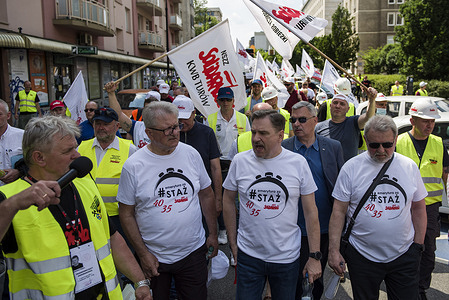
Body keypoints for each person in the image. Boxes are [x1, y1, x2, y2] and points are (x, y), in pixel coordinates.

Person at [0, 116, 152, 300]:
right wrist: (12, 205)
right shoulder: (9, 199)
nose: (77, 155)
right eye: (68, 151)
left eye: (75, 146)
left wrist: (140, 282)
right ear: (39, 157)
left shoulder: (84, 182)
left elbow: (112, 237)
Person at [117, 102, 218, 300]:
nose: (175, 133)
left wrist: (213, 234)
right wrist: (143, 254)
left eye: (176, 126)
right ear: (149, 133)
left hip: (193, 252)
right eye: (167, 129)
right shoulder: (134, 166)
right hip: (154, 258)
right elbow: (126, 213)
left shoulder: (191, 154)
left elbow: (206, 194)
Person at [222, 109, 321, 300]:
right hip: (248, 256)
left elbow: (311, 212)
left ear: (279, 135)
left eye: (263, 133)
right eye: (254, 132)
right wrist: (233, 244)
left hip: (286, 258)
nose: (256, 138)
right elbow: (227, 200)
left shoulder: (298, 163)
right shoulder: (240, 161)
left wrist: (314, 256)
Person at [328, 115, 427, 300]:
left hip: (404, 255)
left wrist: (417, 246)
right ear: (365, 140)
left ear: (396, 139)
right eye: (374, 145)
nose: (381, 150)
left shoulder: (409, 166)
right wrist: (334, 250)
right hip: (362, 255)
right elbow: (338, 211)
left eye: (387, 145)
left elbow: (419, 208)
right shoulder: (351, 168)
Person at [282, 101, 344, 299]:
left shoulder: (333, 147)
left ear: (315, 121)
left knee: (315, 277)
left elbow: (341, 188)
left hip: (324, 227)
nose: (296, 124)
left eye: (302, 119)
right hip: (291, 227)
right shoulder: (284, 148)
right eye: (293, 120)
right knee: (290, 279)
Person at [395, 98, 449, 300]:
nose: (430, 125)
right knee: (403, 248)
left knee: (427, 252)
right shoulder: (399, 142)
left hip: (430, 208)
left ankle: (420, 288)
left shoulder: (438, 144)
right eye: (425, 120)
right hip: (404, 207)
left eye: (432, 121)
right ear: (413, 120)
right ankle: (403, 285)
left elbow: (445, 174)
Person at [78, 108, 137, 231]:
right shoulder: (81, 148)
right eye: (98, 124)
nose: (101, 127)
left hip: (118, 217)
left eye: (106, 124)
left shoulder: (130, 150)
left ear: (117, 126)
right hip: (88, 214)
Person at [206, 87, 250, 245]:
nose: (225, 103)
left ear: (233, 101)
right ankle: (223, 229)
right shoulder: (210, 119)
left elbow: (249, 139)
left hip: (239, 163)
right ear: (217, 101)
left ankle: (239, 229)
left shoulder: (242, 119)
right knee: (221, 196)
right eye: (222, 100)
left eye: (228, 100)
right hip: (219, 164)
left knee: (237, 198)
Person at [173, 95, 223, 224]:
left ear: (194, 113)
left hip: (203, 193)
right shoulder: (168, 134)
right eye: (178, 118)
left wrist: (218, 199)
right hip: (177, 194)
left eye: (185, 118)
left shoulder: (206, 133)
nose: (181, 122)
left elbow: (215, 167)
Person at [315, 87, 377, 162]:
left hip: (349, 171)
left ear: (348, 109)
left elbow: (368, 118)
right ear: (330, 106)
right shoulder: (318, 127)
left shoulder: (353, 123)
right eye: (335, 103)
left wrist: (371, 99)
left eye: (342, 104)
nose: (338, 106)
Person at [105, 82, 151, 148]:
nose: (150, 113)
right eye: (147, 108)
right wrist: (111, 93)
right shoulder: (138, 127)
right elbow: (118, 115)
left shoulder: (167, 129)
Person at [0, 99, 23, 186]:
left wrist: (19, 172)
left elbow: (34, 163)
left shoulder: (22, 136)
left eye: (0, 114)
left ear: (8, 115)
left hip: (16, 192)